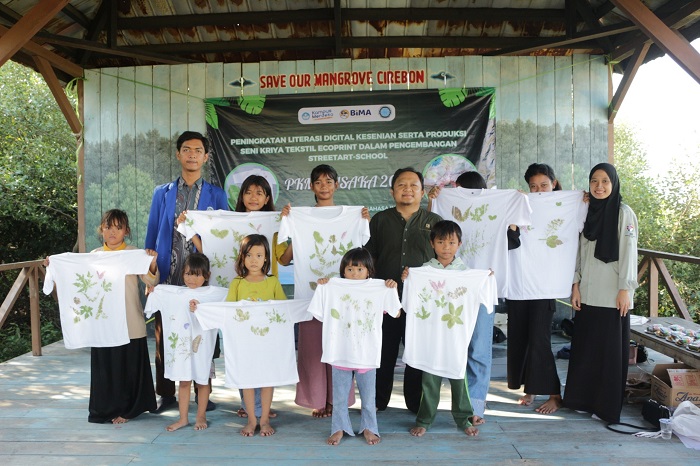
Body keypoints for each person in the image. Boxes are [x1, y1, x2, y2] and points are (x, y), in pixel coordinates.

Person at [43, 209, 159, 424]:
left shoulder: (135, 253)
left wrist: (151, 264)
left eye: (118, 227)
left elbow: (151, 282)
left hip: (129, 320)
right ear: (101, 230)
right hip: (102, 322)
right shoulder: (94, 256)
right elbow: (74, 277)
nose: (112, 232)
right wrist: (55, 266)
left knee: (129, 366)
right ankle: (106, 408)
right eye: (108, 227)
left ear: (126, 231)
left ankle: (130, 409)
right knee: (106, 368)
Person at [144, 131, 228, 412]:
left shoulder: (217, 193)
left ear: (205, 157)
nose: (192, 154)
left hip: (202, 276)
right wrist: (150, 274)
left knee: (204, 332)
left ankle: (203, 390)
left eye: (198, 150)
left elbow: (224, 234)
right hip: (169, 274)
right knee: (165, 333)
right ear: (178, 154)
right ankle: (166, 393)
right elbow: (152, 235)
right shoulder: (162, 193)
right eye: (186, 149)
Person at [285, 164, 368, 418]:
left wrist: (363, 221)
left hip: (342, 297)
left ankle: (337, 400)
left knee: (339, 347)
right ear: (311, 187)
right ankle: (318, 400)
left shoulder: (352, 215)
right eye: (318, 182)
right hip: (310, 296)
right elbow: (283, 258)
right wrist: (286, 221)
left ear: (336, 185)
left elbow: (362, 247)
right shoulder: (300, 216)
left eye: (329, 181)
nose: (324, 186)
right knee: (312, 348)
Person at [564, 163, 638, 423]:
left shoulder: (623, 213)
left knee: (608, 355)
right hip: (587, 292)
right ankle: (582, 400)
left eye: (605, 181)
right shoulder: (586, 213)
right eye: (594, 181)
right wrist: (575, 284)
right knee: (586, 350)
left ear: (614, 183)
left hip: (612, 294)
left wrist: (625, 289)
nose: (599, 186)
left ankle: (605, 407)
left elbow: (630, 252)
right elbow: (578, 252)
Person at [364, 167, 443, 413]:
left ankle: (414, 403)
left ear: (422, 192)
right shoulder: (379, 220)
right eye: (401, 185)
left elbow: (443, 259)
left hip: (422, 302)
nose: (407, 189)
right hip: (386, 300)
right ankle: (377, 402)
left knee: (416, 352)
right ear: (392, 191)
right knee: (383, 351)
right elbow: (369, 258)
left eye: (413, 185)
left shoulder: (434, 222)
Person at [311, 248, 400, 446]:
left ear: (369, 271)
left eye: (359, 269)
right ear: (343, 271)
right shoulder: (332, 286)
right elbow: (318, 312)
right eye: (350, 269)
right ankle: (339, 428)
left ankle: (370, 427)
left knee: (369, 397)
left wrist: (391, 288)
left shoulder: (379, 288)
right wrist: (323, 287)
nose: (354, 274)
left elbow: (396, 313)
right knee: (340, 396)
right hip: (340, 351)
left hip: (366, 353)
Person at [427, 170, 494, 425]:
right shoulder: (444, 203)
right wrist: (434, 200)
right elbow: (432, 227)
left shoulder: (496, 205)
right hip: (449, 287)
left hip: (482, 285)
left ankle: (476, 407)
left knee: (478, 349)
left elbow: (513, 237)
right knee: (445, 349)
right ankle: (443, 406)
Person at [402, 220, 479, 437]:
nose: (446, 247)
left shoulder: (466, 273)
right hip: (430, 334)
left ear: (459, 244)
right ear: (432, 244)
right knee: (430, 379)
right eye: (441, 241)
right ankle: (424, 419)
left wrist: (485, 279)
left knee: (458, 377)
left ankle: (464, 418)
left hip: (455, 335)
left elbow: (480, 293)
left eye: (451, 242)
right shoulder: (423, 271)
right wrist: (408, 280)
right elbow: (408, 303)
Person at [506, 163, 569, 414]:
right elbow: (510, 243)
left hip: (544, 286)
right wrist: (512, 212)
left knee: (540, 340)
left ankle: (555, 394)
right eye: (534, 186)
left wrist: (581, 200)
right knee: (520, 337)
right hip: (520, 283)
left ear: (554, 183)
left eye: (544, 185)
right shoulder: (522, 205)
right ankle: (530, 387)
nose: (539, 190)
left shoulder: (566, 206)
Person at [144, 253, 227, 432]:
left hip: (204, 347)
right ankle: (183, 418)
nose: (192, 278)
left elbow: (229, 306)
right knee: (183, 382)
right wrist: (153, 291)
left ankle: (201, 415)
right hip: (181, 349)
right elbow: (154, 295)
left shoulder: (216, 294)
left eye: (197, 274)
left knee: (203, 381)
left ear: (207, 276)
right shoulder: (173, 293)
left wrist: (202, 308)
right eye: (188, 273)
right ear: (182, 273)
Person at [225, 234, 286, 436]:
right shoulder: (237, 283)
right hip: (244, 343)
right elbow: (227, 311)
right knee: (247, 381)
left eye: (259, 255)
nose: (253, 260)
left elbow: (285, 310)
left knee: (268, 379)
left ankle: (265, 420)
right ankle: (252, 420)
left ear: (266, 258)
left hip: (268, 342)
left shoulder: (273, 282)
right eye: (249, 255)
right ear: (242, 258)